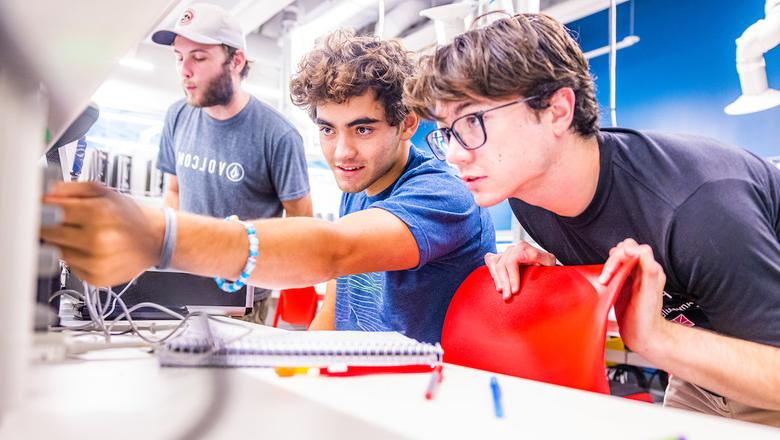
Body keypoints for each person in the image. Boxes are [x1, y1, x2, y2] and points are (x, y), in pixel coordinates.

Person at [404, 13, 780, 425]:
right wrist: (556, 276)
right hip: (699, 369)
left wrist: (656, 338)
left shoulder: (699, 207)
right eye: (446, 132)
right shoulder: (531, 198)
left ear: (557, 110)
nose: (455, 153)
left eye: (472, 122)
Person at [41, 29, 495, 344]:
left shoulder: (442, 195)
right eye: (328, 129)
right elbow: (333, 310)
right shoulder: (360, 185)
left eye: (362, 129)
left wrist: (161, 237)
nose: (341, 153)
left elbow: (334, 251)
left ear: (406, 124)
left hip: (416, 400)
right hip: (361, 383)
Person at [151, 3, 312, 324]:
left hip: (243, 299)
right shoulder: (178, 116)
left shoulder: (278, 135)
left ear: (236, 61)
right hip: (182, 287)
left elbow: (301, 223)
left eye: (198, 57)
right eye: (179, 57)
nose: (185, 70)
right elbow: (173, 190)